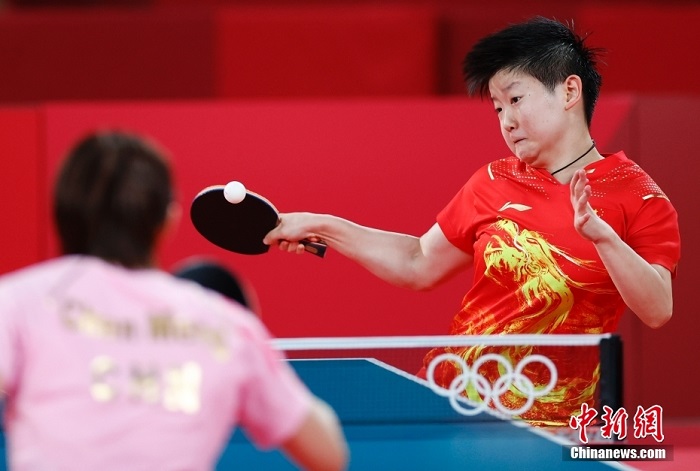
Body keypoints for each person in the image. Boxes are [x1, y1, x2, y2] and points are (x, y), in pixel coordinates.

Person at [263, 17, 681, 426]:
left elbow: (658, 309)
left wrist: (603, 239)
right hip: (455, 407)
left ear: (570, 90)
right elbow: (417, 261)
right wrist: (323, 226)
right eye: (498, 108)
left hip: (559, 424)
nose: (506, 121)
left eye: (516, 100)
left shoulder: (640, 196)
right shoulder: (494, 180)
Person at [0, 131, 348, 470]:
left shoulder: (15, 303)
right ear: (169, 219)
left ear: (61, 212)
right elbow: (329, 454)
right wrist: (252, 347)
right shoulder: (227, 326)